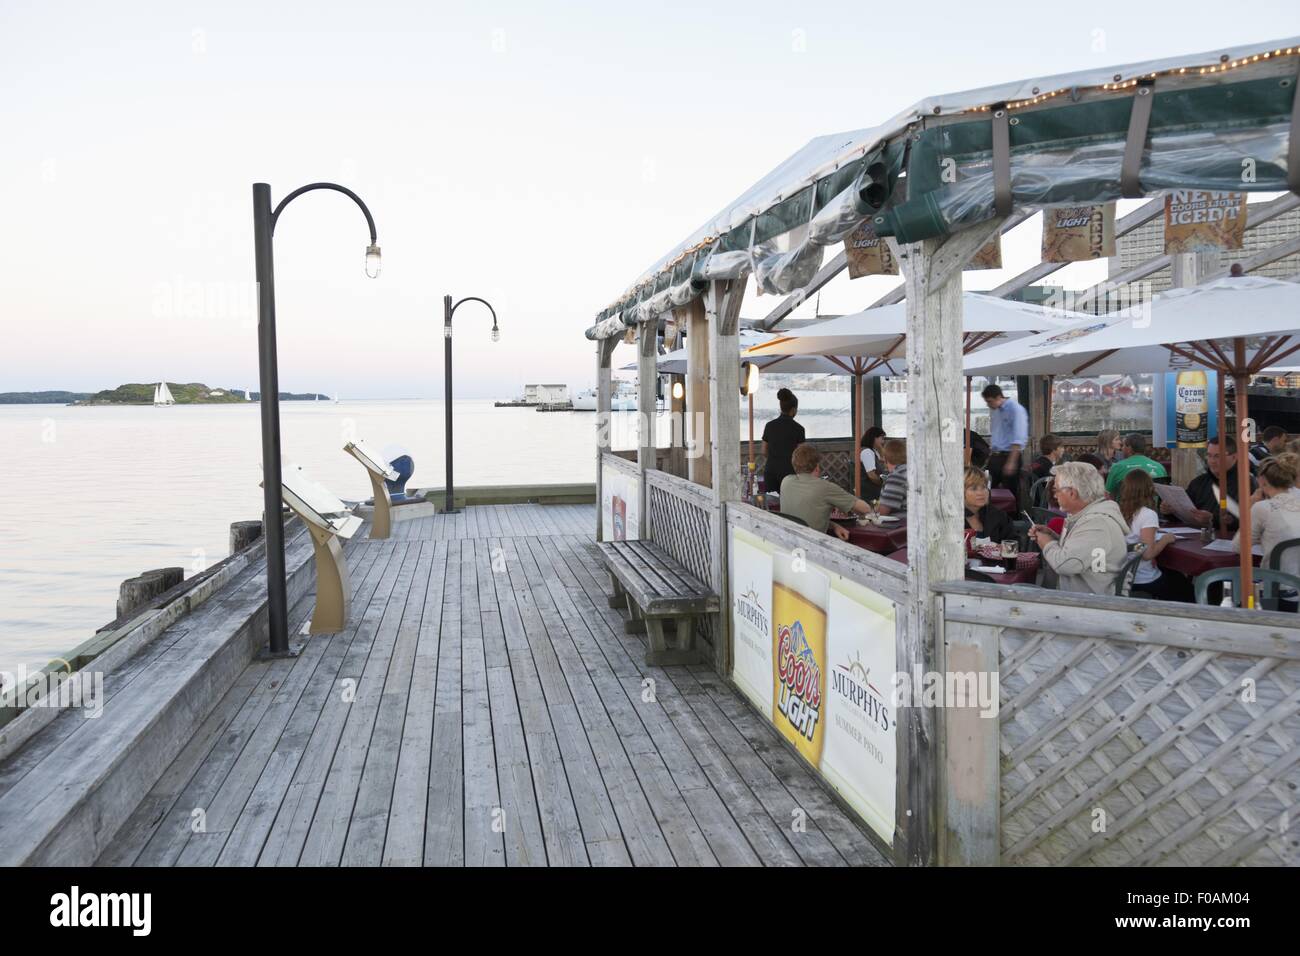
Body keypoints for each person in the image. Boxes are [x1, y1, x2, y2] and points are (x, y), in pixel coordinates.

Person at [1029, 461, 1129, 594]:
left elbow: (1065, 564)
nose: (1054, 495)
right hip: (1087, 596)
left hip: (1093, 604)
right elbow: (1083, 550)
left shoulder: (1097, 524)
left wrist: (1046, 543)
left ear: (1072, 493)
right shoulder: (1090, 516)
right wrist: (1053, 536)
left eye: (1057, 490)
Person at [1234, 455, 1300, 611]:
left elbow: (1238, 547)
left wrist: (1249, 506)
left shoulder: (1262, 508)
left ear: (1262, 481)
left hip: (1276, 591)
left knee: (1234, 594)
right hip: (1296, 591)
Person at [779, 443, 873, 538]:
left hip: (787, 541)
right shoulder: (825, 487)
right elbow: (866, 509)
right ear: (817, 467)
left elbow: (802, 517)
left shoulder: (786, 481)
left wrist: (834, 525)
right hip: (812, 545)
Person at [1117, 470, 1178, 600]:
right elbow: (1147, 554)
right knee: (1182, 586)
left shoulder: (1118, 511)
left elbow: (1135, 544)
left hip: (1122, 579)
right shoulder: (1147, 514)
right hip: (1144, 579)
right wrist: (1166, 539)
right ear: (1150, 489)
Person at [1182, 435, 1256, 534]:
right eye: (1209, 455)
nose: (1212, 461)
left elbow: (1248, 519)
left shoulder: (1246, 484)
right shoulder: (1199, 482)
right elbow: (1185, 508)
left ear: (1234, 457)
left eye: (1218, 456)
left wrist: (1213, 519)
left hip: (1231, 541)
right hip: (1196, 538)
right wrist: (1170, 511)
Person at [982, 383, 1029, 510]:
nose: (988, 405)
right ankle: (990, 518)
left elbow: (1018, 438)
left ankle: (1012, 523)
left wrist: (1012, 461)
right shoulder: (996, 411)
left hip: (1010, 456)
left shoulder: (1015, 409)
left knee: (1011, 495)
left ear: (999, 397)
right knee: (987, 490)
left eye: (990, 401)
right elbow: (998, 435)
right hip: (996, 457)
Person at [761, 388, 804, 498]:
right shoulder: (799, 429)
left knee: (772, 507)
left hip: (771, 472)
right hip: (790, 474)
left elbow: (764, 451)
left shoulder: (769, 426)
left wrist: (774, 459)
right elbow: (801, 456)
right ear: (793, 409)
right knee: (790, 506)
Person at [1104, 433, 1168, 497]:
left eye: (1123, 446)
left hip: (1127, 506)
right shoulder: (1160, 467)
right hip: (1153, 506)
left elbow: (1108, 495)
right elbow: (1165, 494)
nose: (1122, 449)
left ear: (1129, 448)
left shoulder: (1117, 467)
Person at [963, 465, 1013, 542]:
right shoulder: (951, 519)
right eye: (974, 488)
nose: (981, 493)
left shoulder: (999, 516)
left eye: (983, 487)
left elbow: (1013, 543)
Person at [875, 439, 909, 516]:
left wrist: (872, 511)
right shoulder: (912, 471)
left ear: (886, 458)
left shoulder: (897, 476)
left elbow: (883, 512)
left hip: (901, 525)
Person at [858, 426, 887, 500]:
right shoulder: (867, 452)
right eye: (882, 438)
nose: (883, 442)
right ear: (874, 438)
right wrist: (883, 485)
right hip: (869, 493)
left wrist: (880, 448)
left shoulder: (873, 451)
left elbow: (884, 460)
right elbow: (871, 475)